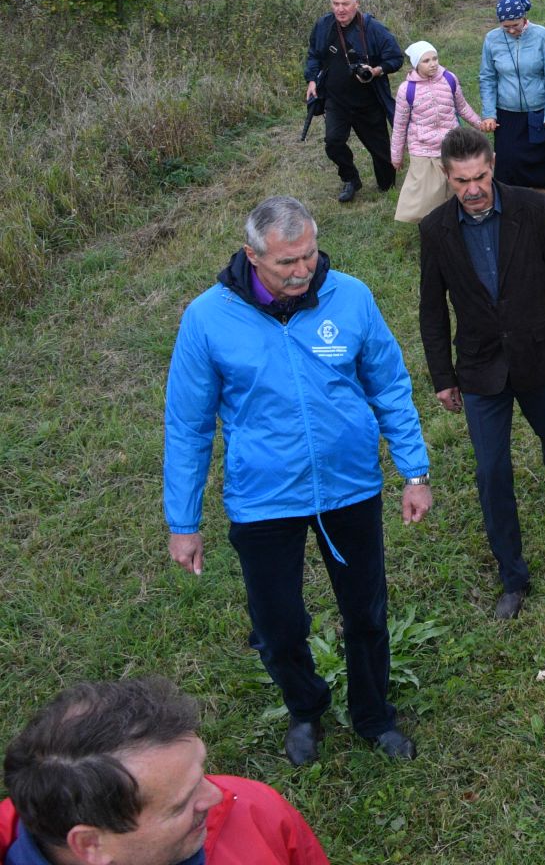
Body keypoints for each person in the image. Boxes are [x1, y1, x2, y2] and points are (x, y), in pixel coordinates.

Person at [164, 197, 430, 763]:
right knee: (278, 629)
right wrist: (183, 522)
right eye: (286, 262)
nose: (302, 271)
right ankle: (305, 708)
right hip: (263, 500)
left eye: (308, 255)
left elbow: (389, 384)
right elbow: (188, 427)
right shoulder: (207, 319)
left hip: (350, 487)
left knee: (366, 614)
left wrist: (414, 471)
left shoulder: (351, 297)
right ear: (252, 257)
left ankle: (373, 715)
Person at [419, 128, 545, 620]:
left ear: (493, 165)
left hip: (541, 355)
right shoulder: (434, 231)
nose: (473, 190)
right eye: (461, 182)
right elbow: (431, 311)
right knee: (491, 471)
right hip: (478, 367)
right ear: (446, 177)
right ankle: (512, 577)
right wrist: (442, 377)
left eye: (479, 177)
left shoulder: (532, 209)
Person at [1, 678, 330, 864]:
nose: (219, 795)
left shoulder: (254, 809)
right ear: (91, 844)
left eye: (200, 772)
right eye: (180, 804)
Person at [303, 0, 403, 203]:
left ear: (356, 4)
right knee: (333, 143)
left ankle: (387, 187)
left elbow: (396, 58)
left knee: (383, 160)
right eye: (336, 4)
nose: (340, 9)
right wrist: (311, 80)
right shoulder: (323, 26)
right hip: (336, 101)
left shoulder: (372, 28)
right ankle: (351, 178)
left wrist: (376, 70)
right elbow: (314, 55)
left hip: (369, 102)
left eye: (345, 4)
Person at [389, 40, 490, 224]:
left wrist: (479, 123)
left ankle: (459, 222)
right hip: (423, 148)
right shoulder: (407, 90)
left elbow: (462, 106)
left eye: (435, 58)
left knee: (454, 190)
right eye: (426, 60)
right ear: (416, 64)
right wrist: (396, 156)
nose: (433, 64)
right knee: (424, 197)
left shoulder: (449, 79)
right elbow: (400, 125)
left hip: (451, 145)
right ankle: (429, 225)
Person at [479, 0, 545, 191]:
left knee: (541, 170)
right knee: (509, 170)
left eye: (516, 25)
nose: (511, 30)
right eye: (506, 27)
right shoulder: (491, 39)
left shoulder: (542, 36)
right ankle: (514, 210)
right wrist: (489, 113)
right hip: (507, 115)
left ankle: (540, 208)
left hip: (539, 115)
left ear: (525, 19)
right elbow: (488, 78)